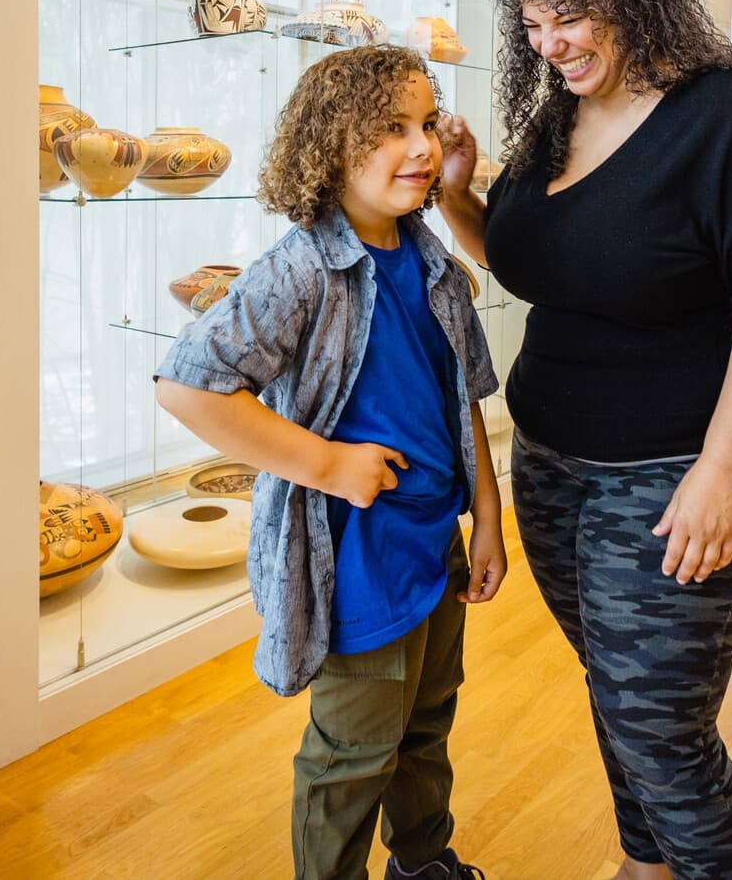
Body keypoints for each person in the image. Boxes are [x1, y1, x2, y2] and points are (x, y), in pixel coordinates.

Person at [437, 0, 732, 880]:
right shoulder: (560, 118)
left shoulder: (728, 118)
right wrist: (453, 198)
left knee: (660, 728)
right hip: (555, 468)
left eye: (565, 17)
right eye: (530, 26)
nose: (549, 43)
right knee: (619, 694)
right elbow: (538, 265)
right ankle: (645, 867)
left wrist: (723, 469)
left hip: (673, 476)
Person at [155, 45, 506, 880]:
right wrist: (326, 463)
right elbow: (186, 385)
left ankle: (423, 862)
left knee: (426, 725)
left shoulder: (436, 267)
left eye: (426, 123)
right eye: (391, 129)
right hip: (356, 565)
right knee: (350, 757)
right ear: (330, 145)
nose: (420, 147)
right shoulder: (300, 271)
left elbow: (464, 401)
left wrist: (488, 517)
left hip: (436, 550)